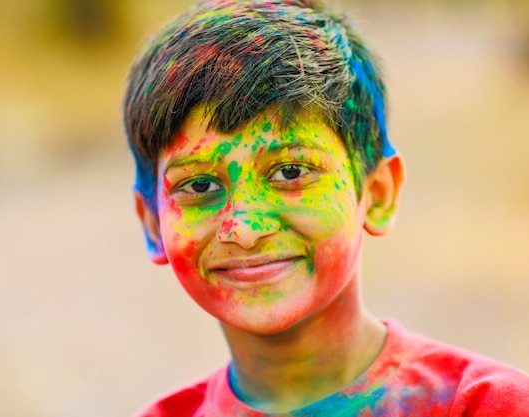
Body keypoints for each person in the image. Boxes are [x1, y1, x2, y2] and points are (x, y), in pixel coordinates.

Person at [123, 0, 529, 415]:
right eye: (200, 185)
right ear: (154, 223)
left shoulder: (482, 404)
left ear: (378, 193)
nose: (244, 228)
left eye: (291, 171)